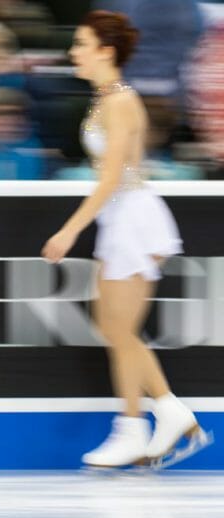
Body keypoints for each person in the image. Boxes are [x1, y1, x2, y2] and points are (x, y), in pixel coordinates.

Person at [41, 11, 212, 470]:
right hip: (122, 217)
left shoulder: (118, 102)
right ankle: (157, 418)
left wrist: (70, 228)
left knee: (118, 330)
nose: (73, 51)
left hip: (133, 217)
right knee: (115, 328)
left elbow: (113, 175)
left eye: (81, 43)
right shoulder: (105, 99)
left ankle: (146, 421)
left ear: (105, 50)